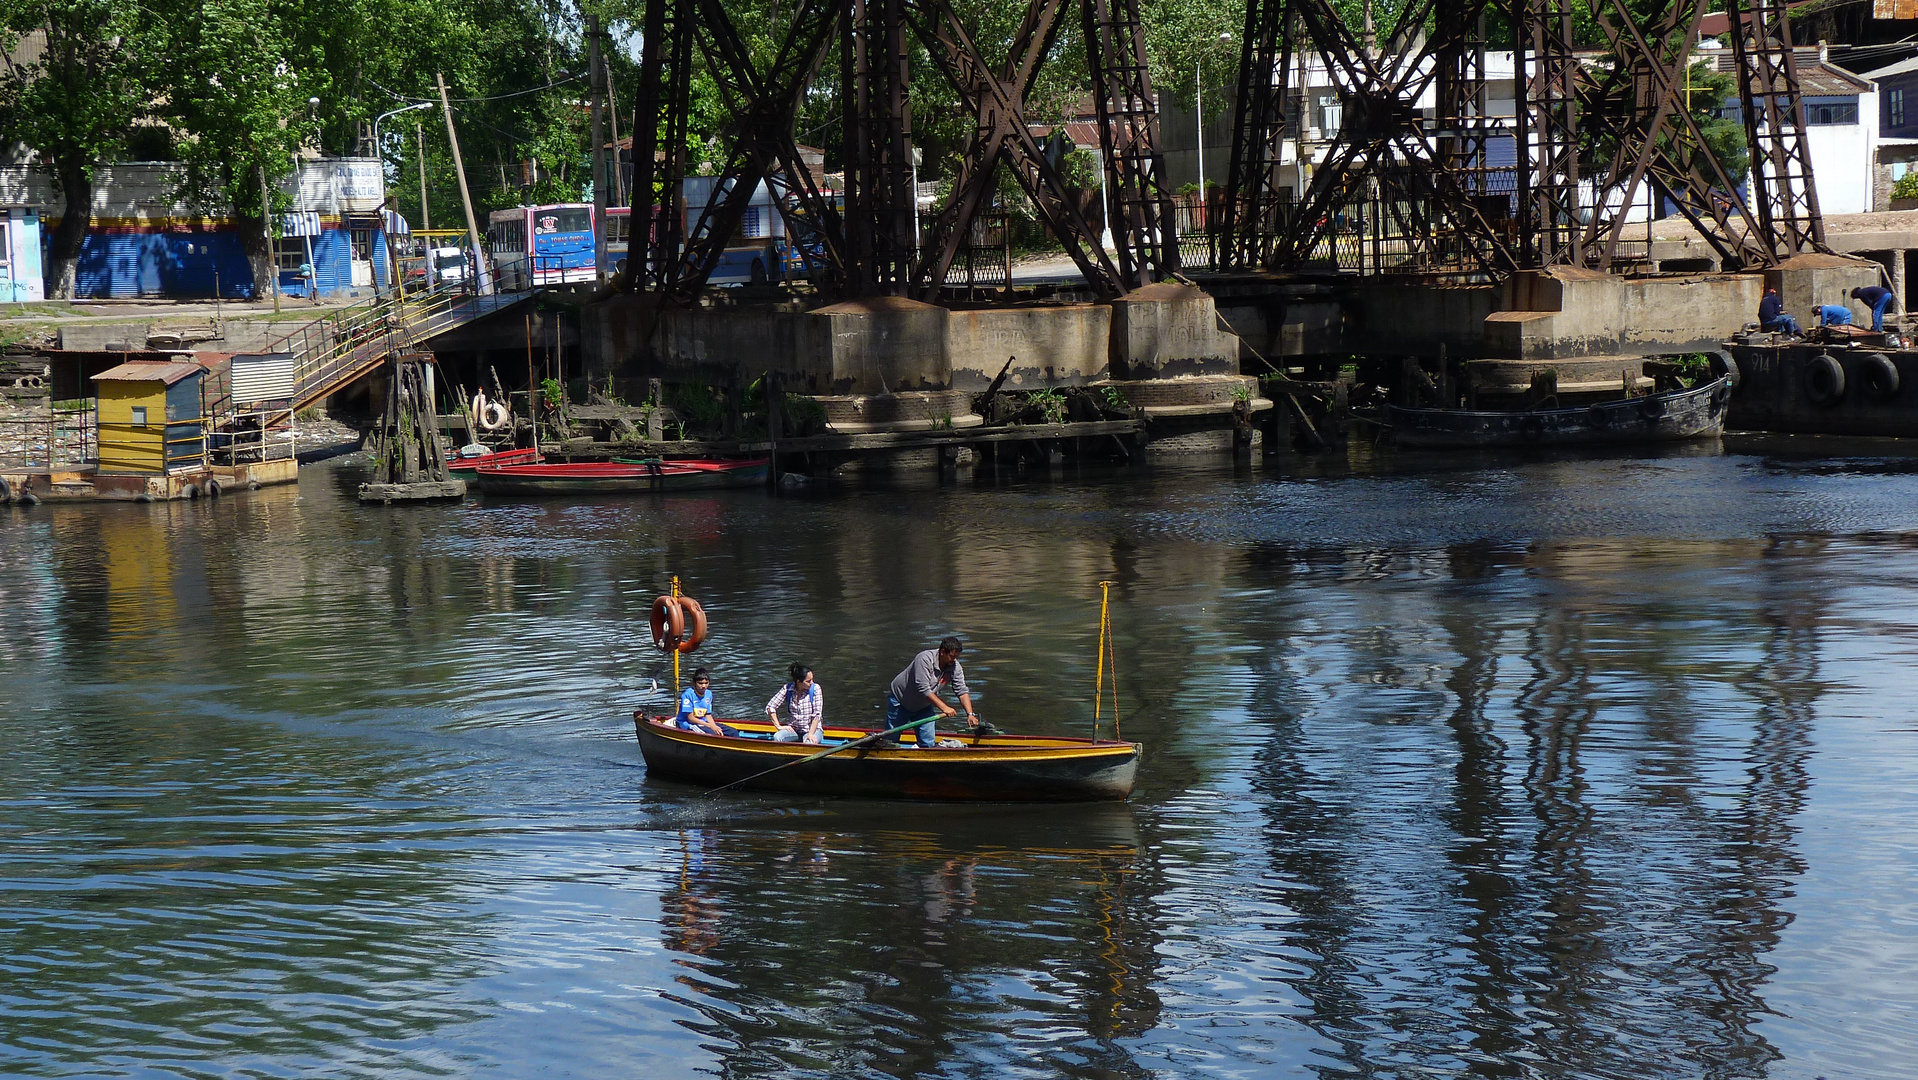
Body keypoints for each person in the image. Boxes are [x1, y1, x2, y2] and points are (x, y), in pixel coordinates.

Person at [885, 636, 979, 749]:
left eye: (956, 657)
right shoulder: (924, 659)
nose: (954, 660)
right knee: (890, 741)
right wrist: (944, 708)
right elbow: (923, 688)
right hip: (901, 701)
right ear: (943, 652)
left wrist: (970, 714)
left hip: (923, 706)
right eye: (952, 656)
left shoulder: (955, 667)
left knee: (928, 744)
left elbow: (962, 690)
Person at [766, 663, 825, 744]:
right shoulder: (788, 689)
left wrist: (811, 734)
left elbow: (817, 715)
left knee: (809, 743)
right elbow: (770, 707)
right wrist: (778, 726)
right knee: (777, 737)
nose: (812, 682)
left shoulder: (815, 689)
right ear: (799, 682)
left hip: (812, 730)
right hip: (794, 729)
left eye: (812, 679)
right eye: (808, 681)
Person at [674, 668, 727, 736]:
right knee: (712, 734)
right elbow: (690, 718)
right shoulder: (687, 695)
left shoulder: (708, 694)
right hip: (688, 723)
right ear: (694, 683)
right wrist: (710, 726)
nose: (704, 686)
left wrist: (714, 726)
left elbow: (708, 715)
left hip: (703, 723)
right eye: (700, 683)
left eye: (706, 683)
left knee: (733, 732)